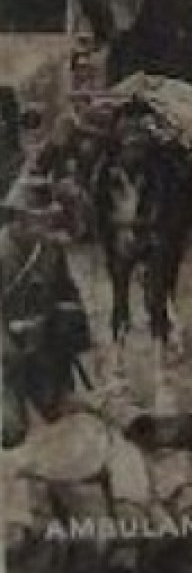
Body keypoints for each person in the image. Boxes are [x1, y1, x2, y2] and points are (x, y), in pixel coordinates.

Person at [1, 176, 91, 449]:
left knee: (66, 419)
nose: (48, 224)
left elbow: (67, 292)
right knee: (10, 431)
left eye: (48, 217)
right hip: (6, 353)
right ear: (19, 219)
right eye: (40, 218)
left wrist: (68, 322)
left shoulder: (50, 250)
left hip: (44, 348)